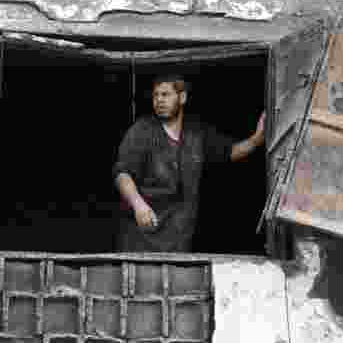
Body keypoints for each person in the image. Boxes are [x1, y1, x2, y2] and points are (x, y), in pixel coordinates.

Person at [113, 74, 266, 253]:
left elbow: (229, 152)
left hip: (179, 241)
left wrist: (256, 140)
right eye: (156, 95)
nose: (159, 100)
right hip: (142, 240)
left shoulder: (196, 133)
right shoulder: (141, 131)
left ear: (182, 97)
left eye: (166, 94)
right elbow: (122, 173)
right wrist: (138, 204)